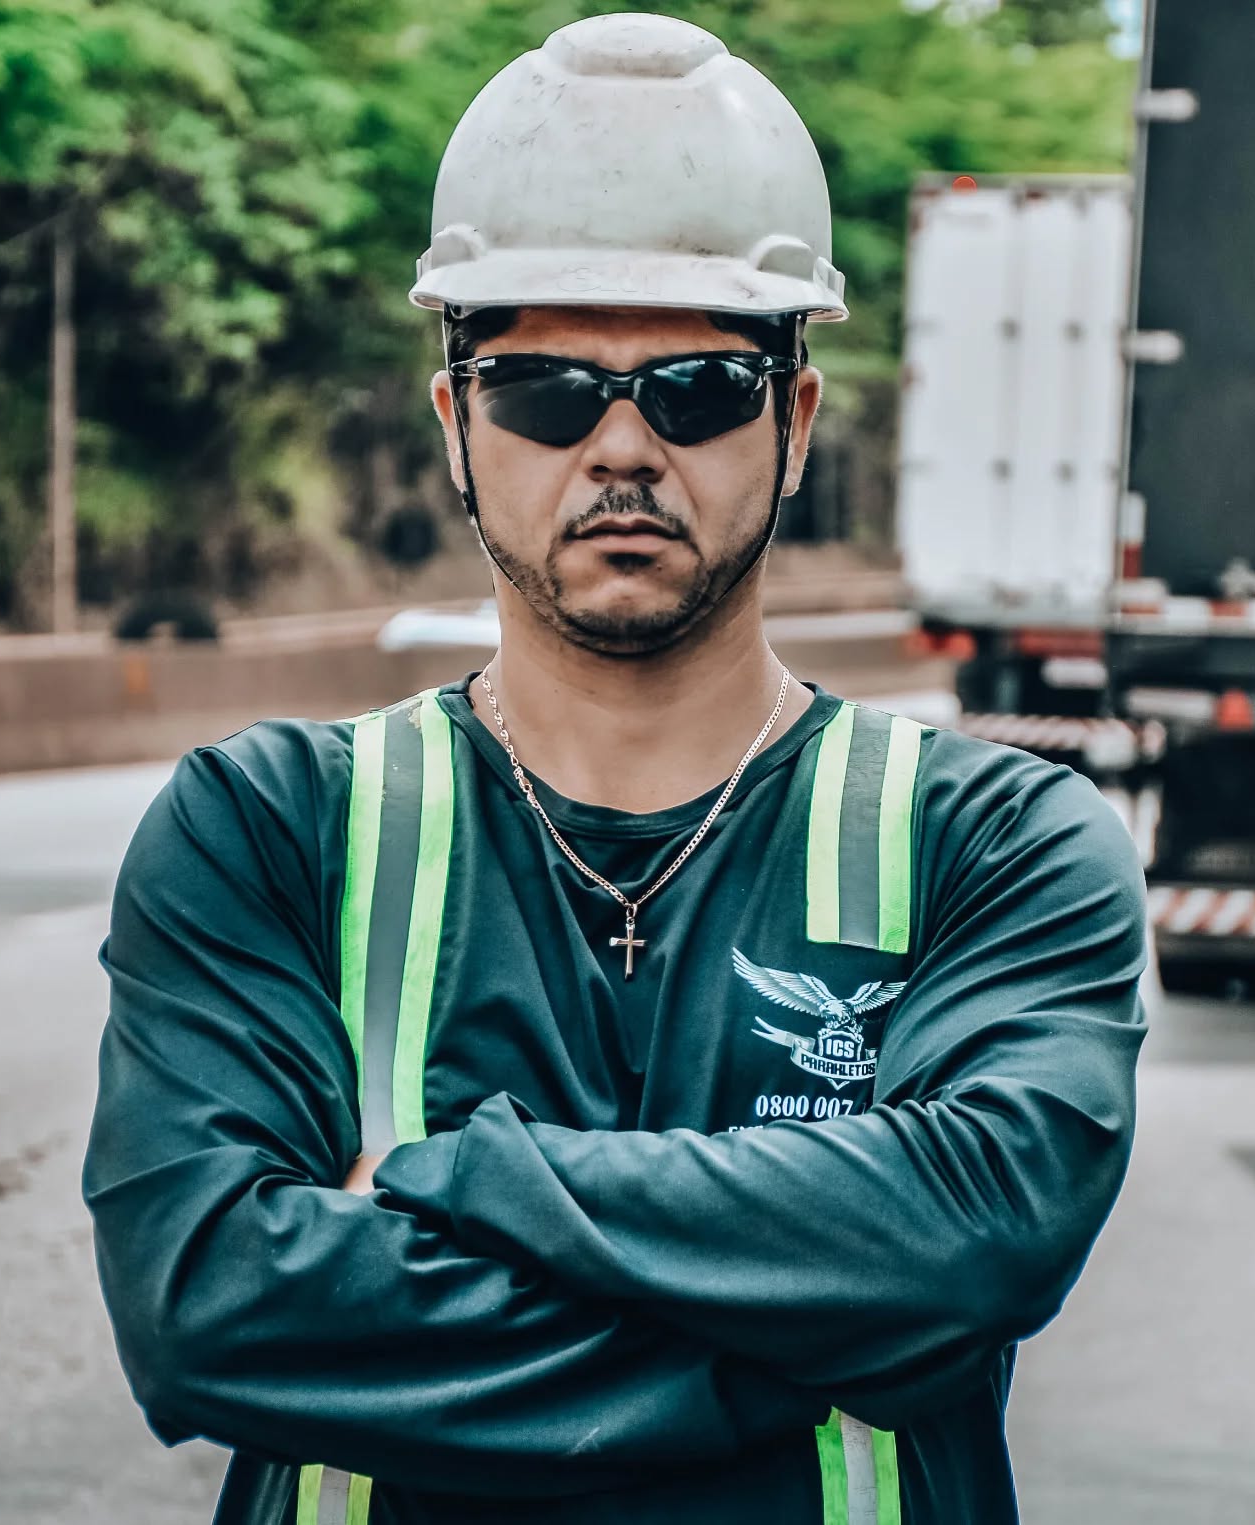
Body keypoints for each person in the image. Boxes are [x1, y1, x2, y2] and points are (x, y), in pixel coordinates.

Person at [83, 14, 1148, 1525]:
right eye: (547, 391)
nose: (626, 448)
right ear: (459, 421)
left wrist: (454, 1178)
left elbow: (977, 1240)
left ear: (794, 417)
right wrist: (815, 1344)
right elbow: (206, 1308)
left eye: (703, 383)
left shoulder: (1000, 841)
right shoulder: (270, 830)